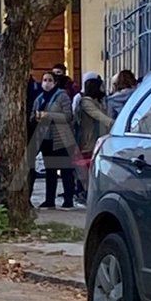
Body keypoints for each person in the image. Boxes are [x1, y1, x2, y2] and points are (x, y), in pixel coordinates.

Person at [32, 72, 77, 209]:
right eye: (44, 80)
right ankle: (49, 199)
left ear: (55, 82)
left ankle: (68, 199)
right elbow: (33, 114)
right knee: (50, 171)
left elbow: (68, 116)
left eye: (49, 80)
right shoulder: (39, 98)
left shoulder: (62, 96)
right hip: (46, 138)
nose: (46, 83)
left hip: (61, 137)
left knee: (65, 170)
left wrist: (48, 116)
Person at [74, 75, 113, 202]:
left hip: (99, 138)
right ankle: (83, 193)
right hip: (88, 140)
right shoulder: (86, 102)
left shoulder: (99, 101)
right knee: (86, 166)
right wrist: (115, 124)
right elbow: (99, 116)